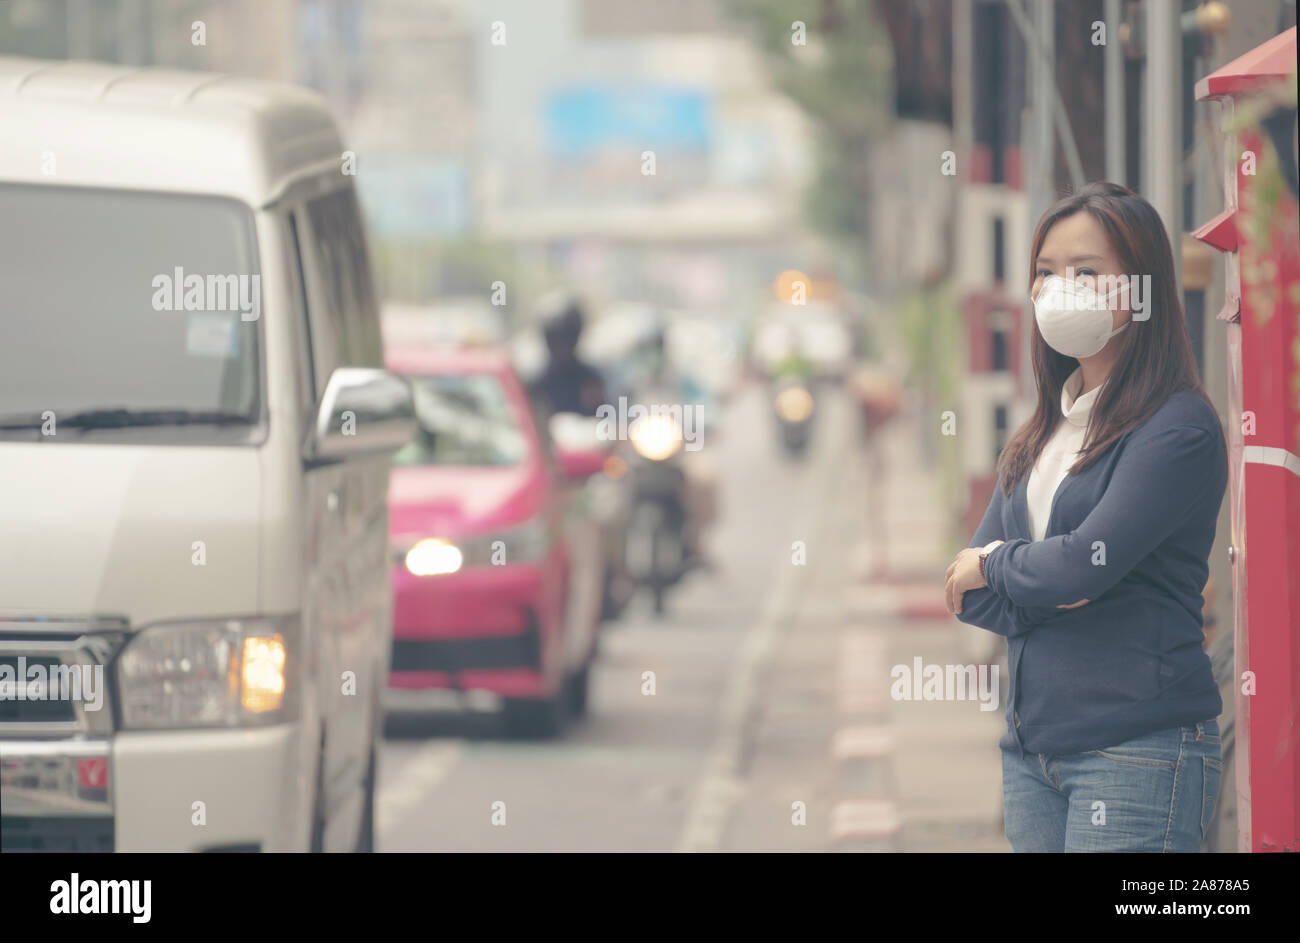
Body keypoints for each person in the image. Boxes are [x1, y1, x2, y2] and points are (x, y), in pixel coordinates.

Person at [944, 182, 1227, 853]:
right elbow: (973, 598)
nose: (1058, 289)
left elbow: (1078, 564)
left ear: (1141, 288)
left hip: (1136, 749)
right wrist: (1043, 582)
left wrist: (1003, 566)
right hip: (1032, 752)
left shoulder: (1177, 428)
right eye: (1045, 273)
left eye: (1086, 272)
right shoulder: (1044, 431)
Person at [529, 293, 606, 418]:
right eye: (555, 338)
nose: (561, 345)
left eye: (566, 336)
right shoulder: (537, 386)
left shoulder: (591, 380)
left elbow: (606, 419)